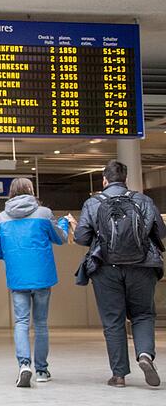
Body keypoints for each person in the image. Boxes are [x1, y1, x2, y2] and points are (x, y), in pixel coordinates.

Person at [70, 160, 166, 388]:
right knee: (142, 314)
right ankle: (145, 355)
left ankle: (119, 375)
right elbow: (161, 232)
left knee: (113, 321)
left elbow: (83, 238)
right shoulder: (142, 200)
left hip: (105, 268)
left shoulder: (93, 203)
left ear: (104, 180)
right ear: (125, 179)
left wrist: (74, 226)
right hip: (142, 266)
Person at [0, 178, 69, 388]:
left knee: (21, 322)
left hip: (18, 278)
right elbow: (60, 238)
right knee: (41, 324)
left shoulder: (2, 218)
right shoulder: (44, 213)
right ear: (31, 190)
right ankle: (42, 370)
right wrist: (63, 223)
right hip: (42, 277)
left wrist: (13, 255)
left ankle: (24, 365)